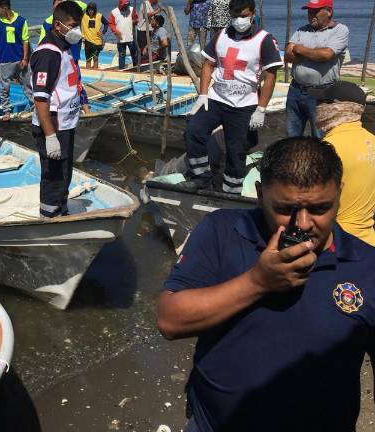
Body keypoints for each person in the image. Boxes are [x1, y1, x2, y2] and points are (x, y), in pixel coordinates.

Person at [158, 136, 375, 432]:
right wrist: (257, 281)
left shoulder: (367, 267)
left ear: (340, 193)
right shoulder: (222, 230)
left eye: (320, 208)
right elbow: (170, 321)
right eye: (285, 208)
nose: (303, 224)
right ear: (260, 195)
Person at [181, 0, 282, 194]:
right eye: (235, 16)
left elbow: (270, 77)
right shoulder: (221, 35)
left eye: (243, 16)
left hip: (244, 105)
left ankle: (232, 190)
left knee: (236, 150)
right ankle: (202, 178)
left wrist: (261, 109)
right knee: (193, 131)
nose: (239, 20)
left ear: (252, 13)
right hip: (217, 99)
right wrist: (203, 94)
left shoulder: (265, 40)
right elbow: (208, 64)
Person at [30, 1, 84, 218]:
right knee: (53, 175)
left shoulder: (65, 47)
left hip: (66, 123)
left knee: (64, 171)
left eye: (78, 25)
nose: (76, 30)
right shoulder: (48, 53)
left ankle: (61, 209)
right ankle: (48, 216)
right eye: (72, 25)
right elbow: (40, 98)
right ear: (58, 25)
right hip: (52, 123)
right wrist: (50, 135)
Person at [309, 81, 375, 246]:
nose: (317, 107)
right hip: (368, 240)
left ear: (338, 108)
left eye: (321, 102)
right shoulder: (372, 141)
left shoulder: (328, 148)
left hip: (337, 242)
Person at [284, 0, 348, 138]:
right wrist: (314, 54)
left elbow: (326, 55)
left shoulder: (340, 30)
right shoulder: (301, 30)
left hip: (322, 93)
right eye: (309, 11)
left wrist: (299, 49)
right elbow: (288, 56)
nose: (311, 15)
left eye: (315, 11)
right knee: (292, 138)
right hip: (295, 90)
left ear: (329, 11)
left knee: (321, 138)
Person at [0, 0, 30, 121]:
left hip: (20, 60)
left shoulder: (21, 21)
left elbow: (25, 40)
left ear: (5, 8)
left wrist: (25, 58)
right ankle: (6, 110)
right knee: (4, 88)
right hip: (4, 60)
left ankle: (35, 106)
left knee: (28, 85)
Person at [108, 0, 139, 69]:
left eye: (127, 4)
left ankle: (136, 69)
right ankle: (121, 70)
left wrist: (136, 21)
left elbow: (136, 19)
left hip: (131, 37)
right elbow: (111, 23)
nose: (126, 6)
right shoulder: (114, 12)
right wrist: (116, 31)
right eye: (125, 5)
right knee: (122, 56)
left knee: (134, 55)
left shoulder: (132, 9)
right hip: (120, 39)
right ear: (121, 4)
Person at [81, 2, 109, 69]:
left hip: (97, 42)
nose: (90, 11)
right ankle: (88, 73)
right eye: (89, 10)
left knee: (95, 59)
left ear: (95, 10)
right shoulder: (83, 16)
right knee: (88, 60)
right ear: (87, 10)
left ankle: (95, 72)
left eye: (92, 10)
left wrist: (103, 32)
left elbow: (106, 23)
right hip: (87, 41)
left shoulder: (99, 15)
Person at [135, 0, 162, 66]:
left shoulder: (150, 5)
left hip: (149, 30)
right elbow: (147, 15)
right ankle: (139, 65)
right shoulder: (145, 4)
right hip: (143, 31)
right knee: (142, 50)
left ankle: (147, 64)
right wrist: (159, 10)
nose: (157, 1)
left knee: (149, 48)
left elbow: (153, 17)